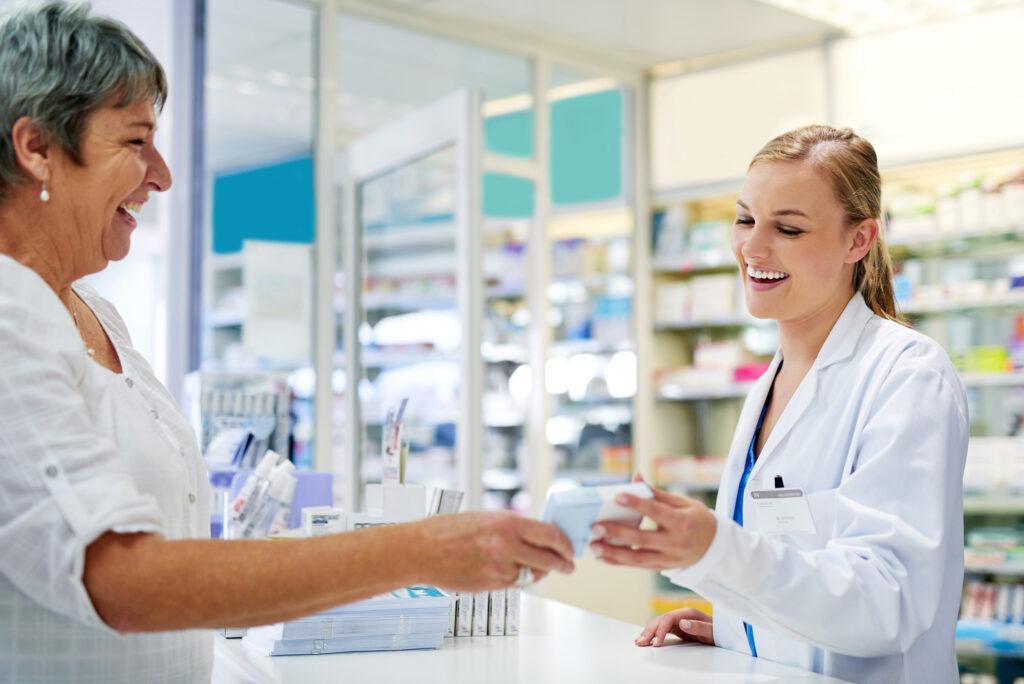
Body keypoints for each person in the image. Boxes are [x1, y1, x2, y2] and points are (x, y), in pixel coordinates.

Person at [0, 3, 574, 682]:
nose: (162, 175)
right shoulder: (9, 315)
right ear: (37, 148)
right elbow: (122, 578)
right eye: (135, 143)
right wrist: (418, 551)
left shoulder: (94, 312)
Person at [590, 125, 968, 684]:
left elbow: (886, 605)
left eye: (787, 228)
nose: (752, 248)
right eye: (745, 219)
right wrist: (739, 626)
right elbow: (793, 564)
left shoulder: (907, 374)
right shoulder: (771, 383)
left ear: (858, 241)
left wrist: (717, 550)